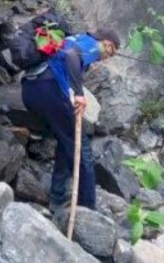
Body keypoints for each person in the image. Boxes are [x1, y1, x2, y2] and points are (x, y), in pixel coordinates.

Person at [21, 30, 121, 212]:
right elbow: (71, 55)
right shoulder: (92, 45)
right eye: (110, 52)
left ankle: (57, 197)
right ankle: (87, 209)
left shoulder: (75, 38)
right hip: (48, 88)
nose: (106, 57)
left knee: (66, 140)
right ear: (106, 44)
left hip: (29, 89)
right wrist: (80, 94)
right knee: (82, 148)